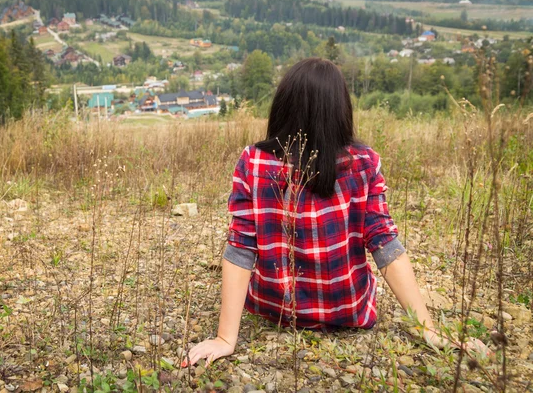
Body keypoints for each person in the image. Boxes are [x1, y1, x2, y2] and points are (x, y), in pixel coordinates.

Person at [183, 58, 487, 367]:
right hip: (350, 311)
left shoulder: (254, 162)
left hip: (272, 308)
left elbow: (241, 248)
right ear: (340, 110)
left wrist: (225, 338)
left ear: (283, 106)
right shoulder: (364, 162)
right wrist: (429, 330)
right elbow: (385, 245)